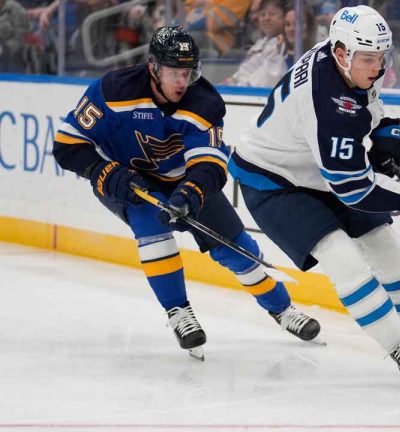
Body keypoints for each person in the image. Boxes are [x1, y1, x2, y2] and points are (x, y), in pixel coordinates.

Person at [228, 5, 400, 387]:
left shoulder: (347, 55)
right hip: (274, 180)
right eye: (369, 59)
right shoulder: (325, 102)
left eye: (382, 58)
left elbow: (369, 100)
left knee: (386, 246)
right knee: (342, 258)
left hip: (315, 169)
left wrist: (386, 131)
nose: (377, 67)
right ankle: (399, 345)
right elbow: (353, 191)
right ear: (341, 54)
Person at [52, 26, 321, 360]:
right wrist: (102, 170)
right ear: (153, 68)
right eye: (175, 73)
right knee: (152, 225)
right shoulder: (112, 91)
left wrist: (189, 194)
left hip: (183, 178)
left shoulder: (204, 102)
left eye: (189, 72)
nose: (183, 81)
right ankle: (179, 312)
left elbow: (209, 164)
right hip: (127, 179)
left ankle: (282, 309)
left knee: (234, 247)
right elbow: (66, 145)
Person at [221, 0, 286, 88]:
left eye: (272, 14)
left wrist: (239, 87)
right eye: (262, 14)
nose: (266, 18)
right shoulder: (260, 43)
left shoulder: (281, 45)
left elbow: (266, 80)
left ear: (284, 17)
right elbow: (241, 73)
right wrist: (228, 83)